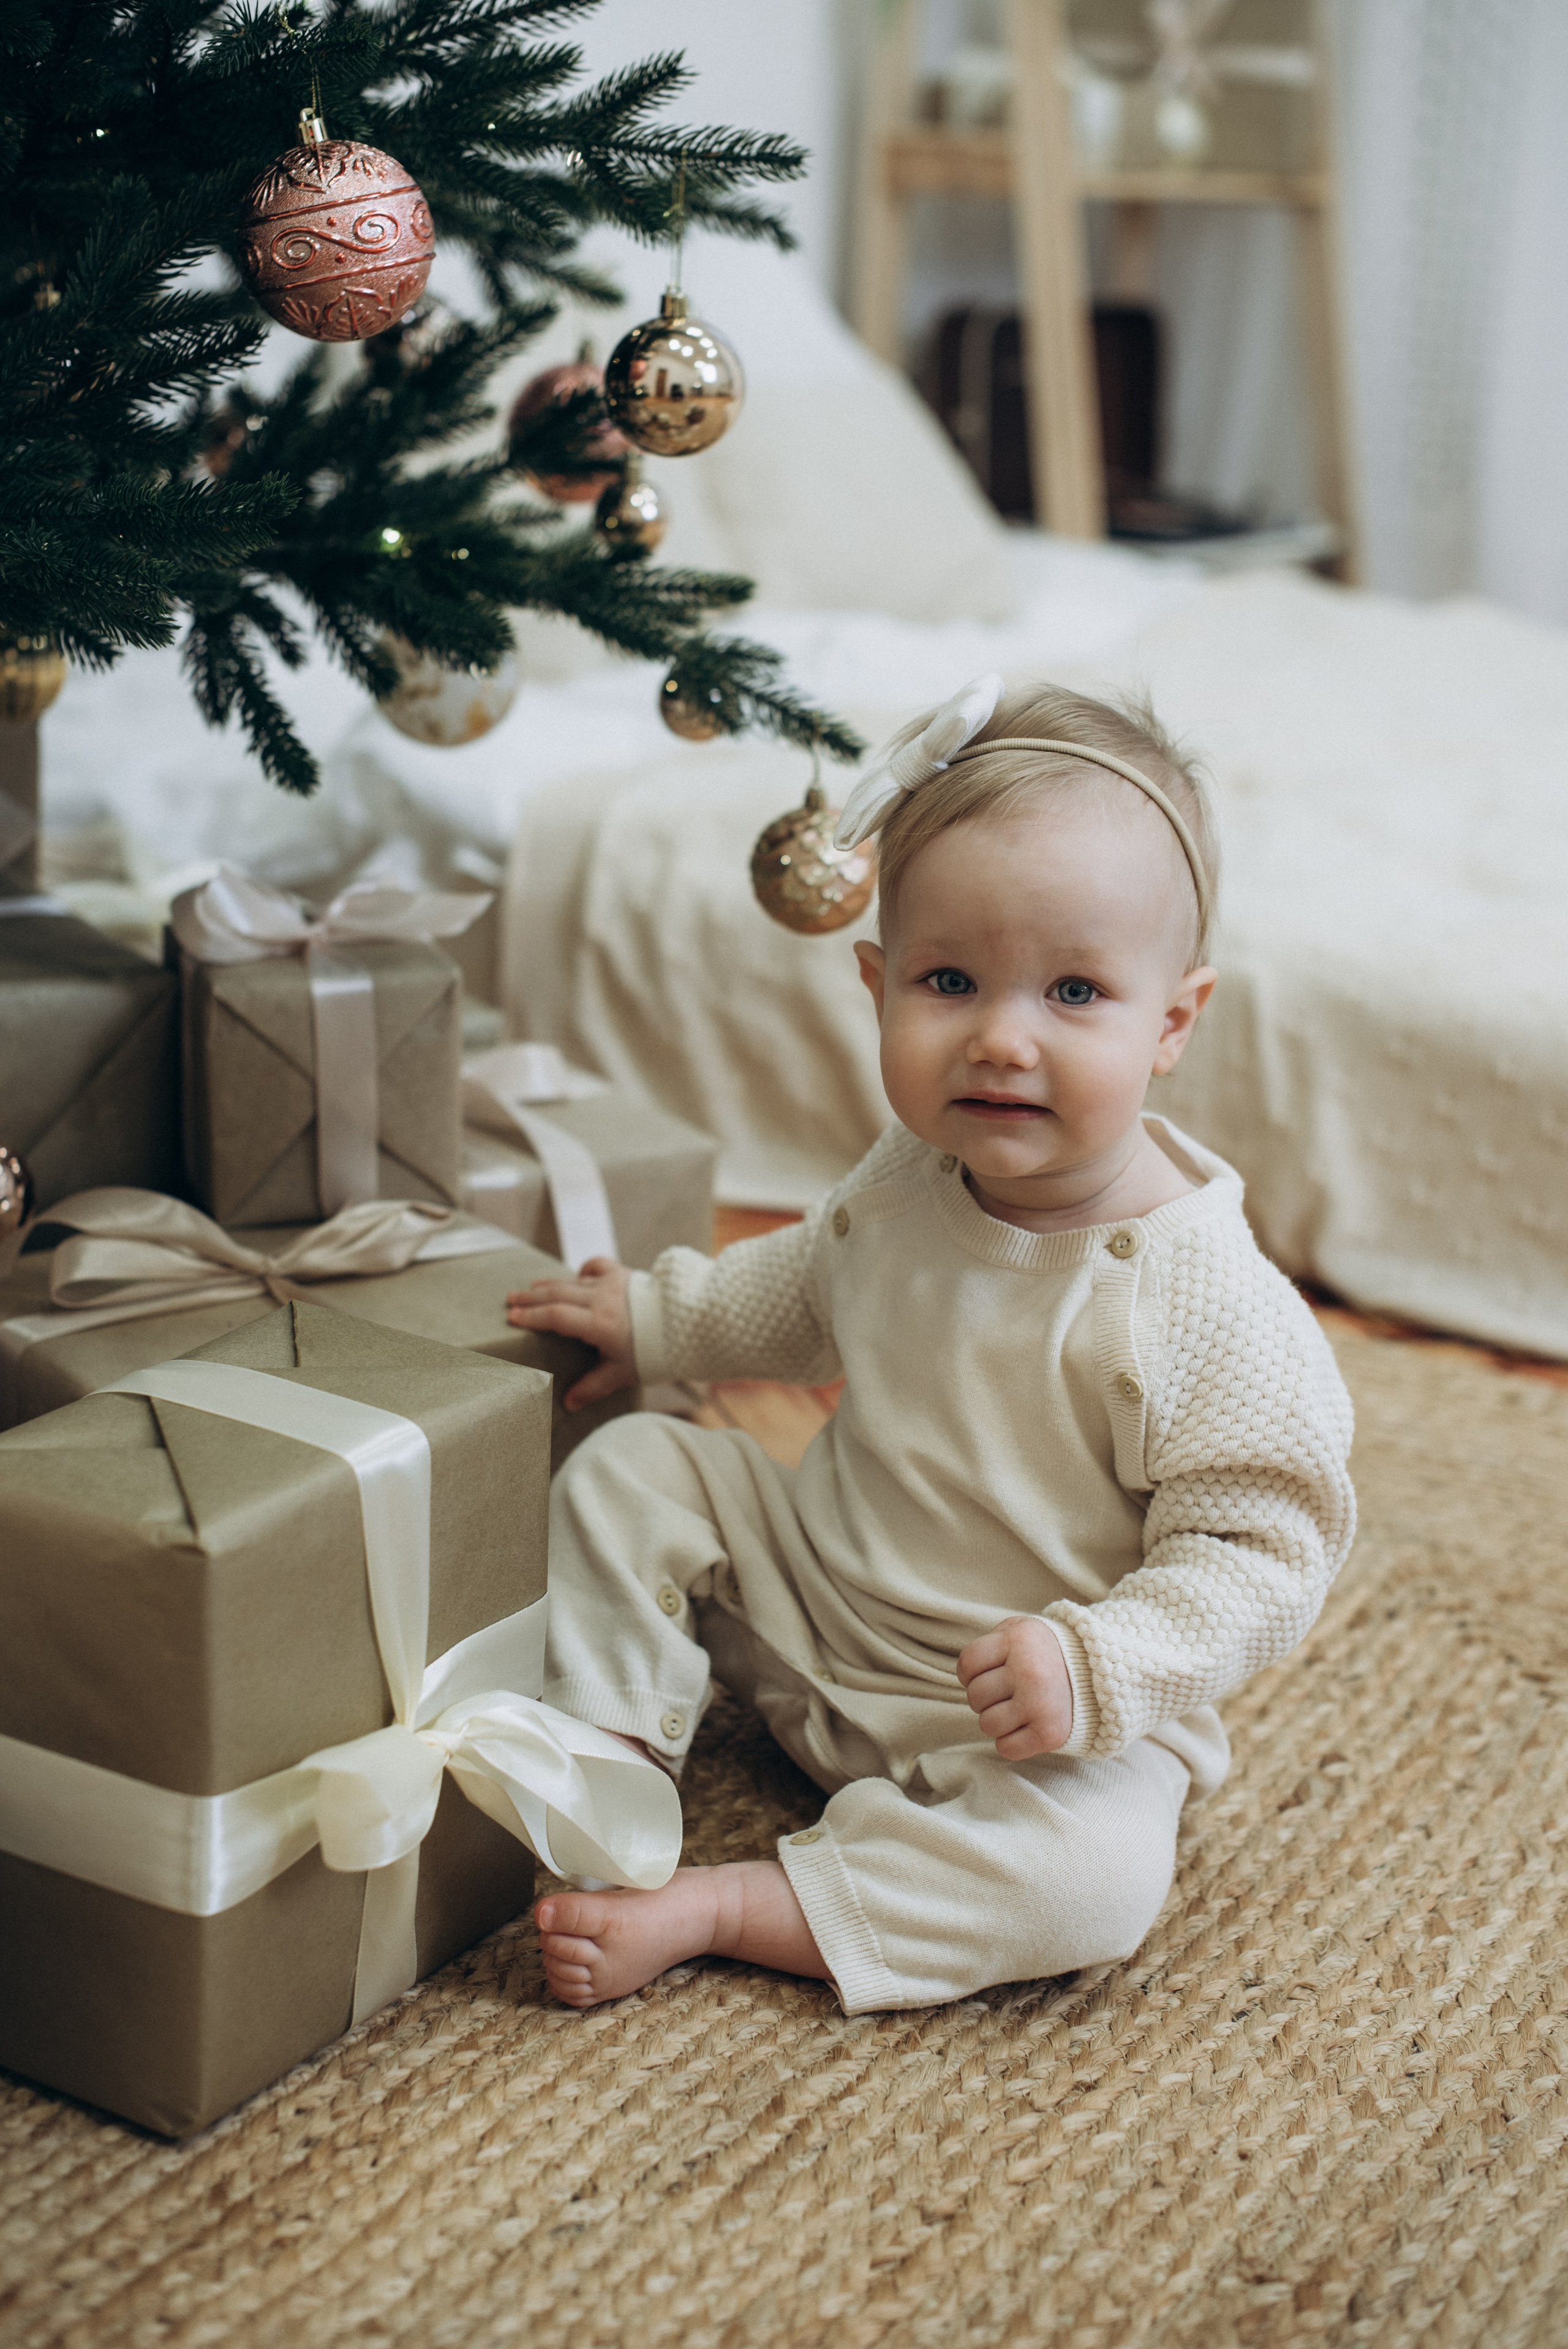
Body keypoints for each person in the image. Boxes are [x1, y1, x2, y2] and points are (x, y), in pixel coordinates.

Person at [508, 673, 1355, 2013]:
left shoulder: (1209, 1304)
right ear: (875, 983)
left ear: (1172, 1021)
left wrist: (1100, 1668)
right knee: (631, 1472)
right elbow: (807, 1286)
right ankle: (605, 1767)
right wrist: (660, 1321)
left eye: (1074, 991)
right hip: (816, 1598)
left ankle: (734, 1903)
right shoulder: (911, 1174)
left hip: (1025, 1712)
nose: (1001, 1039)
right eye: (949, 981)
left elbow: (1264, 1552)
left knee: (1095, 1886)